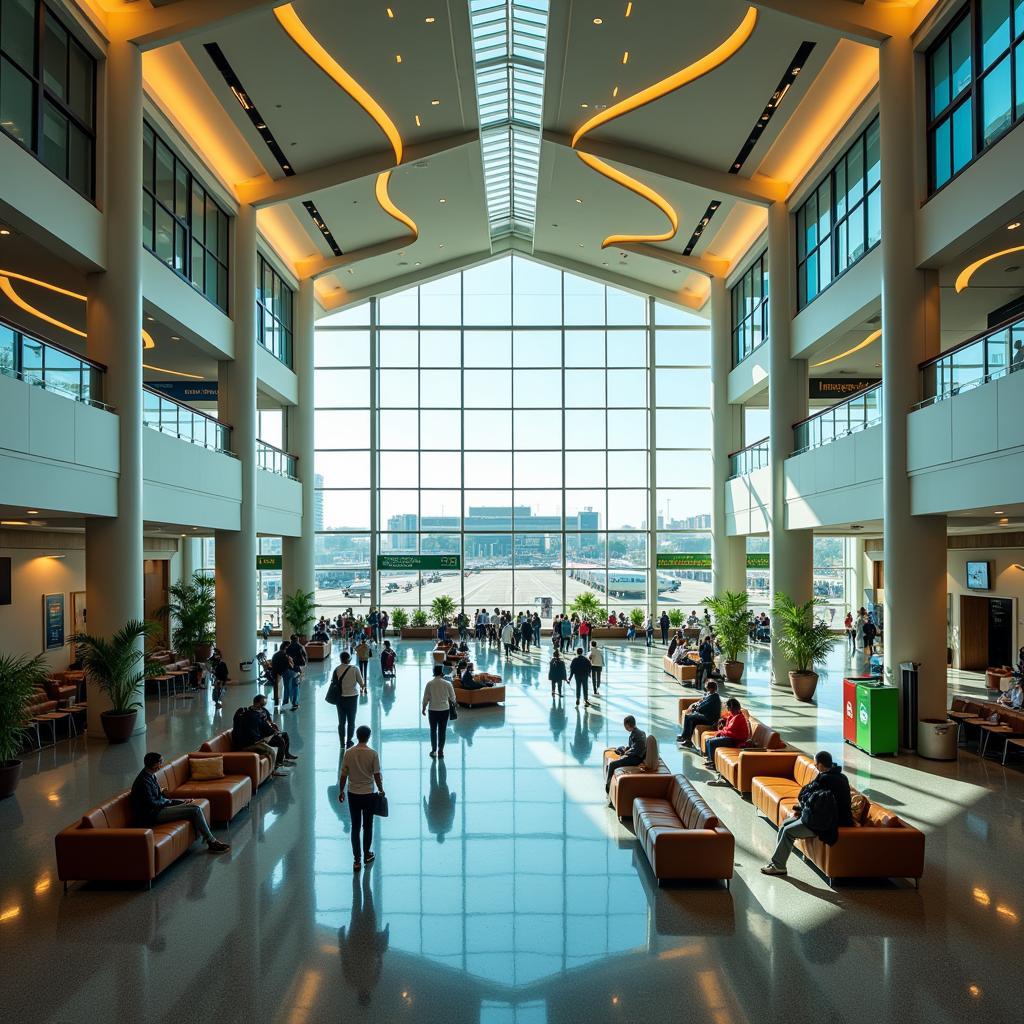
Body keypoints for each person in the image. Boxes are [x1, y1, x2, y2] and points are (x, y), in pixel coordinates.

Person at [761, 750, 854, 876]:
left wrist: (800, 808)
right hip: (820, 815)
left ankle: (779, 866)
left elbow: (804, 794)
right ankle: (777, 861)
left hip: (827, 822)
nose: (815, 767)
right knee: (784, 825)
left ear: (820, 765)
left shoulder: (826, 779)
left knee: (788, 831)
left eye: (815, 764)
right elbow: (810, 796)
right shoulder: (840, 776)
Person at [131, 752, 230, 852]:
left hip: (159, 808)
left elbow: (159, 798)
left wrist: (178, 802)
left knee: (192, 806)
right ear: (154, 764)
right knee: (195, 810)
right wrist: (170, 803)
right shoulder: (143, 782)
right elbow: (152, 803)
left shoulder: (150, 775)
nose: (162, 764)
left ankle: (209, 839)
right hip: (153, 814)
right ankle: (211, 841)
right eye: (160, 762)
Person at [338, 724, 384, 872]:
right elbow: (376, 774)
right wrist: (381, 789)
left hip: (353, 794)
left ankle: (356, 860)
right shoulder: (373, 754)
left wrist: (341, 791)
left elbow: (343, 774)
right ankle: (367, 855)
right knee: (368, 825)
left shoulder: (348, 753)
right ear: (368, 737)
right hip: (368, 794)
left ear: (357, 736)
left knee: (355, 827)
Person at [232, 702, 289, 775]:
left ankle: (279, 763)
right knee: (271, 751)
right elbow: (252, 737)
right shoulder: (251, 721)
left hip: (248, 742)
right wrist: (260, 740)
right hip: (246, 745)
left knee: (278, 740)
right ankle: (273, 771)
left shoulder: (244, 717)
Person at [702, 698, 750, 776]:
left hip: (736, 740)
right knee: (708, 740)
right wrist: (722, 731)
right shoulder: (733, 716)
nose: (727, 708)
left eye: (728, 707)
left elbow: (729, 730)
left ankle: (714, 764)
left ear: (731, 707)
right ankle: (710, 760)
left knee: (711, 742)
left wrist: (721, 732)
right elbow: (728, 729)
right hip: (731, 737)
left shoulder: (738, 717)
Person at [332, 651, 366, 748]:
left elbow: (334, 683)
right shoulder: (355, 669)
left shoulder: (336, 669)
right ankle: (349, 741)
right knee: (351, 721)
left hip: (340, 698)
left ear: (341, 659)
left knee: (341, 722)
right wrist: (363, 689)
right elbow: (361, 683)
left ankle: (341, 743)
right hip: (352, 698)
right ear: (349, 659)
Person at [422, 664, 457, 759]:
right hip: (444, 710)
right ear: (442, 672)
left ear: (434, 673)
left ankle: (433, 751)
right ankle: (441, 751)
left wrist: (424, 708)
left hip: (433, 710)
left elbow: (426, 698)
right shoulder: (447, 684)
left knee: (433, 730)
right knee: (442, 731)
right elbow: (453, 698)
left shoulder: (430, 684)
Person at [605, 715, 647, 793]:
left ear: (627, 725)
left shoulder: (636, 735)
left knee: (612, 764)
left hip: (635, 759)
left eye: (625, 725)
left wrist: (625, 753)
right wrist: (627, 749)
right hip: (636, 756)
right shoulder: (640, 732)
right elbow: (635, 746)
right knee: (620, 748)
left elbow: (636, 751)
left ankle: (608, 787)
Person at [252, 693, 298, 763]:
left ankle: (287, 754)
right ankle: (279, 763)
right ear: (257, 703)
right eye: (262, 703)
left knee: (285, 735)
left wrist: (273, 726)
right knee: (280, 741)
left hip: (268, 731)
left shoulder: (262, 710)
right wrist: (272, 732)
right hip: (263, 736)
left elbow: (270, 721)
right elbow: (260, 728)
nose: (264, 705)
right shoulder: (252, 713)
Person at [677, 679, 722, 746]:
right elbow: (701, 702)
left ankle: (685, 736)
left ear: (710, 688)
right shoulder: (709, 694)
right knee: (693, 720)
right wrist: (697, 705)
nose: (706, 688)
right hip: (706, 716)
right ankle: (688, 740)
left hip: (710, 719)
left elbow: (702, 708)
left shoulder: (714, 697)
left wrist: (696, 708)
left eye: (707, 687)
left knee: (689, 717)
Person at [270, 640, 293, 711]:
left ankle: (284, 702)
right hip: (283, 672)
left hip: (276, 673)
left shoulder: (276, 654)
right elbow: (291, 666)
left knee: (287, 685)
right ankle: (285, 703)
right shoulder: (285, 655)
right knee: (288, 686)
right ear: (286, 648)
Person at [286, 633, 307, 710]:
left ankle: (288, 701)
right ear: (297, 639)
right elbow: (305, 657)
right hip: (297, 668)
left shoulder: (288, 648)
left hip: (289, 668)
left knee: (289, 685)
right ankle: (295, 703)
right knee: (296, 685)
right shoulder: (300, 646)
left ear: (291, 640)